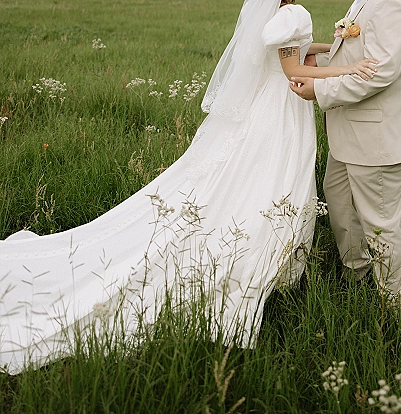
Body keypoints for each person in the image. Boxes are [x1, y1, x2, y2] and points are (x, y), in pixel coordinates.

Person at [0, 0, 377, 374]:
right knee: (275, 178)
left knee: (247, 180)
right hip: (280, 111)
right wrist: (350, 67)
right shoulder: (294, 13)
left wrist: (330, 47)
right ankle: (258, 263)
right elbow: (292, 66)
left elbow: (286, 48)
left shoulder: (279, 16)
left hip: (264, 108)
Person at [290, 0, 401, 305]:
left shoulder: (394, 5)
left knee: (380, 221)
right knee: (337, 194)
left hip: (376, 136)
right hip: (351, 130)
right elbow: (357, 55)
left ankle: (391, 306)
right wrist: (320, 65)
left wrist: (320, 90)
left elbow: (380, 72)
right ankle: (357, 274)